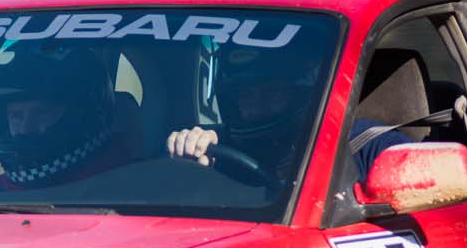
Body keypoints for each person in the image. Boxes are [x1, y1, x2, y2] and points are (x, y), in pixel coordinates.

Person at [166, 44, 416, 188]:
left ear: (302, 92)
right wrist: (192, 162)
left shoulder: (369, 146)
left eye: (272, 92)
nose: (257, 106)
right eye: (245, 95)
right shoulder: (218, 151)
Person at [0, 42, 131, 189]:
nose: (26, 129)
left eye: (42, 113)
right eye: (16, 116)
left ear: (83, 117)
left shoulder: (129, 188)